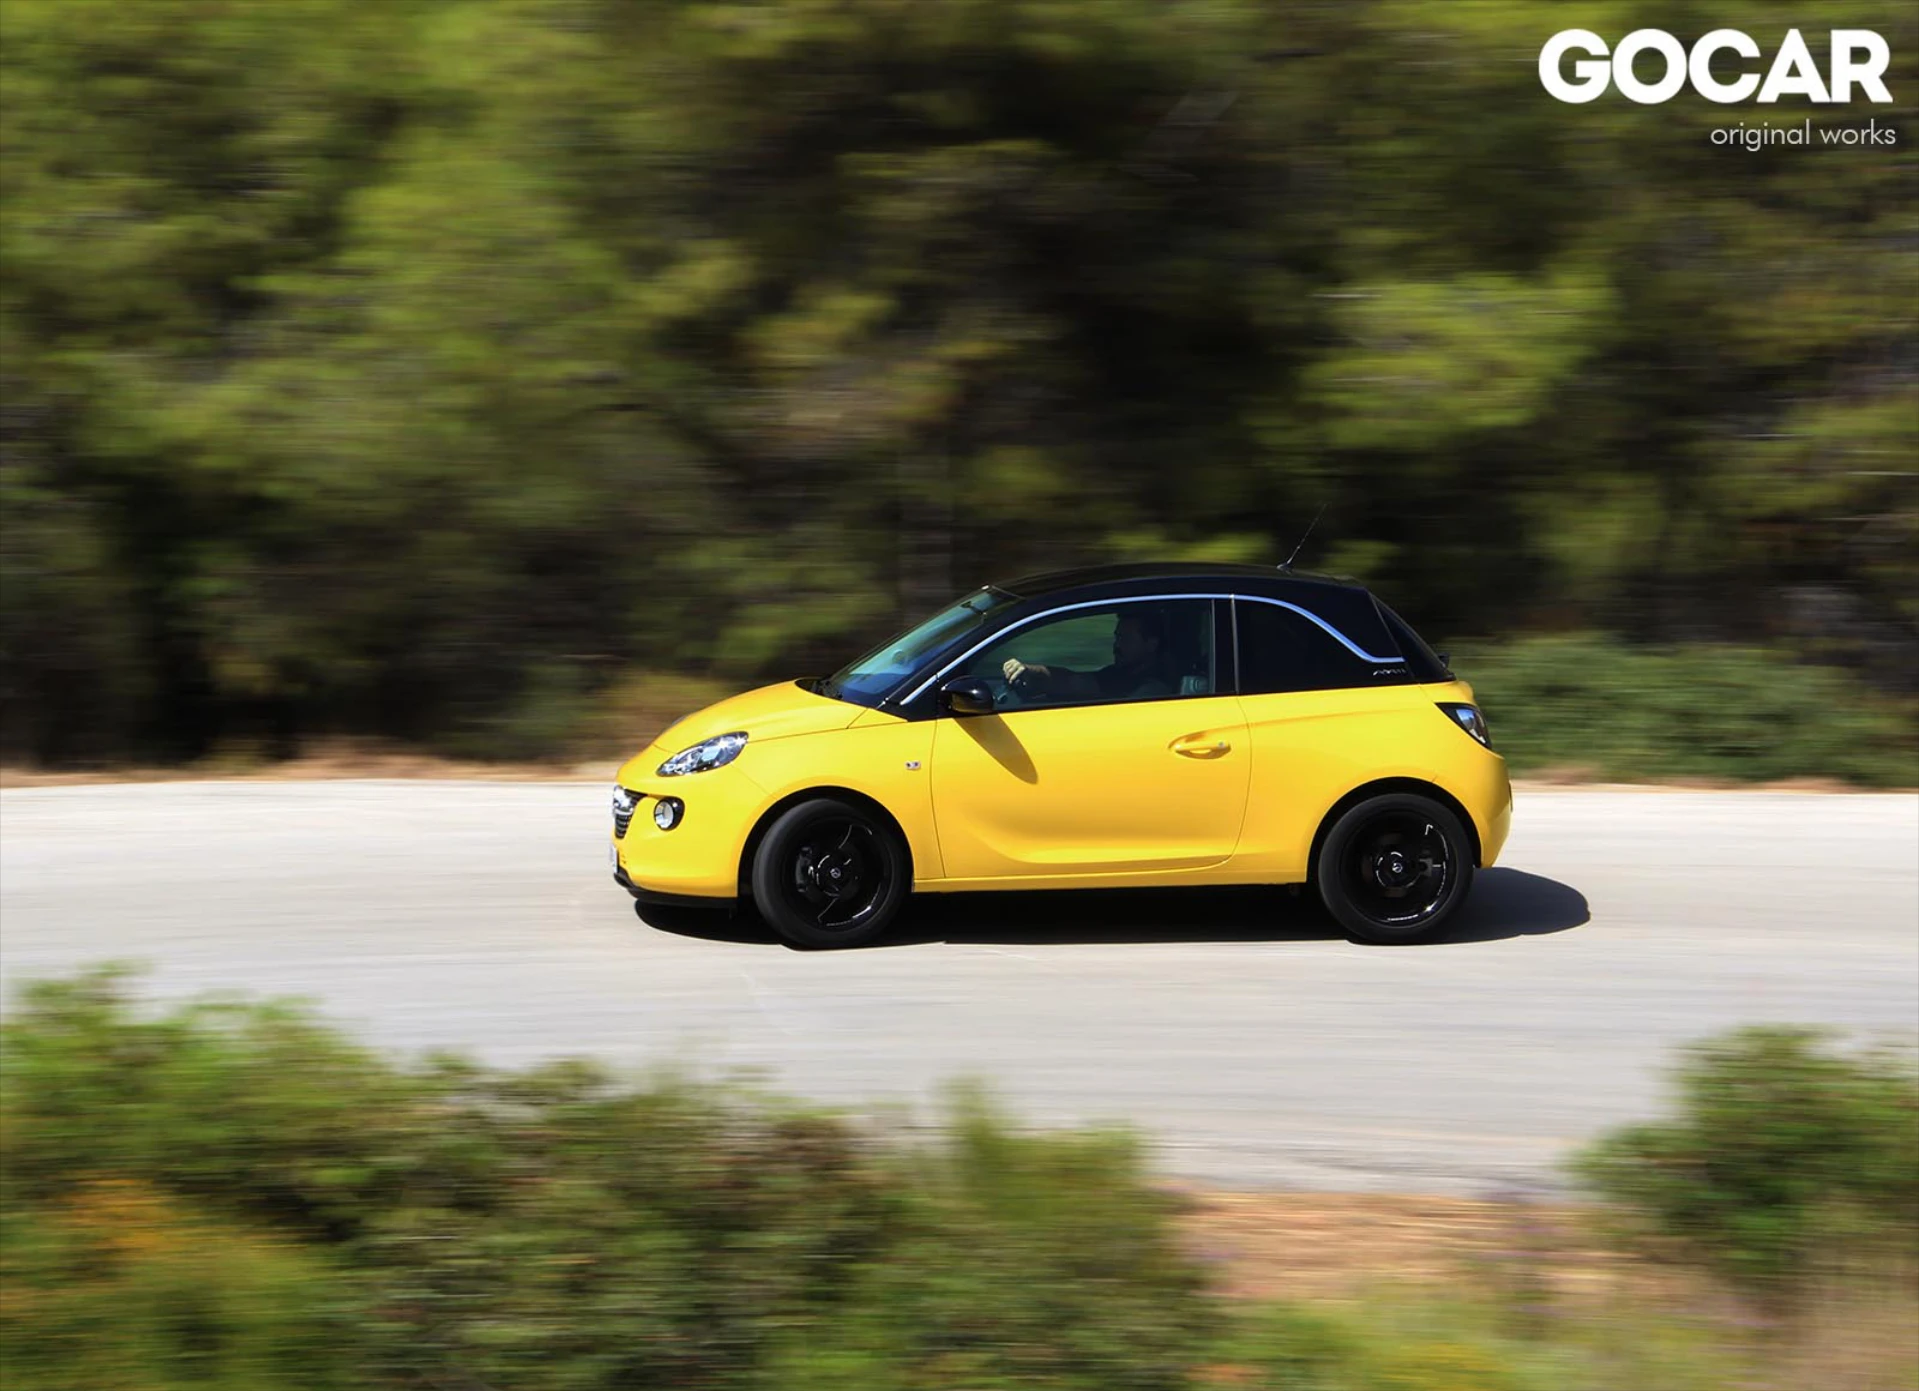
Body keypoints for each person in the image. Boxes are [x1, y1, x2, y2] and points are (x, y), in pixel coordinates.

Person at [1001, 609, 1177, 703]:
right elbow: (1073, 681)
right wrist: (1030, 671)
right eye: (1117, 637)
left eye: (1126, 639)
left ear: (1151, 644)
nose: (1117, 645)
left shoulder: (1155, 690)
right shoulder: (1119, 674)